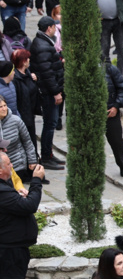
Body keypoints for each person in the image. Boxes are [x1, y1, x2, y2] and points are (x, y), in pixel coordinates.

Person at [30, 16, 62, 166]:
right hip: (48, 92)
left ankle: (48, 153)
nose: (56, 29)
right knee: (50, 123)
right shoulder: (43, 45)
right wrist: (56, 92)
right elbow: (47, 73)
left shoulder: (42, 42)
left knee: (50, 123)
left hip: (48, 90)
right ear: (49, 28)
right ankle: (46, 156)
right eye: (54, 27)